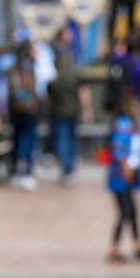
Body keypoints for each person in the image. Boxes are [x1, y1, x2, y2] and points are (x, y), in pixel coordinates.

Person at [107, 98, 140, 263]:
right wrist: (126, 169)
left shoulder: (130, 125)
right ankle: (114, 249)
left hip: (127, 177)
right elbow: (118, 149)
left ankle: (138, 246)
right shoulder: (123, 124)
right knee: (125, 213)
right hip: (122, 177)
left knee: (132, 212)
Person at [47, 49, 91, 187]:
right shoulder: (75, 74)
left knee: (63, 141)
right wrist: (87, 110)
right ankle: (69, 168)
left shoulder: (54, 76)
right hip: (72, 113)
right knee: (71, 140)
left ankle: (67, 169)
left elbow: (48, 98)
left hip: (58, 113)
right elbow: (83, 94)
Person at [7, 40, 42, 191]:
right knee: (28, 141)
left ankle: (15, 171)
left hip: (15, 110)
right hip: (29, 110)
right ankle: (26, 172)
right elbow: (38, 90)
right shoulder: (31, 68)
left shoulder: (12, 68)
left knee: (16, 139)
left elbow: (6, 92)